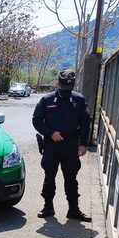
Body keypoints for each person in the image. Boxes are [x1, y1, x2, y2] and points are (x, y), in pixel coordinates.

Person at [32, 69, 92, 222]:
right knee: (49, 177)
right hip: (52, 145)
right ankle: (48, 206)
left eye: (69, 88)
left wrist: (83, 144)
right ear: (57, 83)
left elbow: (85, 123)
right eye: (63, 86)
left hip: (71, 145)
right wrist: (50, 133)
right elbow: (37, 120)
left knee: (71, 178)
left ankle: (73, 209)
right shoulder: (47, 100)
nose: (66, 91)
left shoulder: (79, 100)